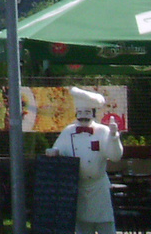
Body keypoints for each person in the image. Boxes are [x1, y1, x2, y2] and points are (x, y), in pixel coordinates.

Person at [49, 86, 124, 234]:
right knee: (82, 226)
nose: (84, 116)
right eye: (81, 112)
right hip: (78, 189)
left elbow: (115, 156)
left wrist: (114, 137)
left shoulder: (103, 131)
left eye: (87, 112)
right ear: (76, 113)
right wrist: (53, 152)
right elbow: (57, 150)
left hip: (99, 188)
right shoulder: (68, 131)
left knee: (105, 225)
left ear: (93, 113)